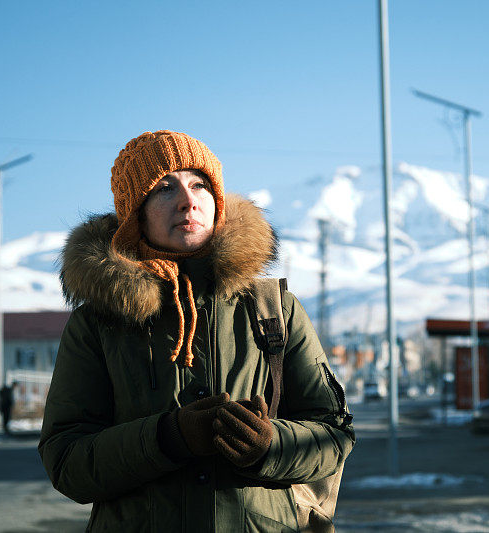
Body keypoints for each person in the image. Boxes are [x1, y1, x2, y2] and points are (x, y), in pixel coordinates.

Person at [38, 130, 354, 532]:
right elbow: (66, 461)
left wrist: (268, 444)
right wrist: (167, 438)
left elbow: (334, 435)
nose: (188, 200)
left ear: (217, 201)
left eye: (199, 184)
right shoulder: (97, 322)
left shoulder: (274, 310)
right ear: (136, 214)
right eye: (164, 188)